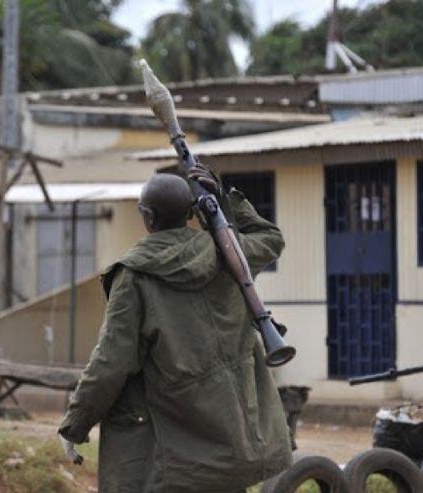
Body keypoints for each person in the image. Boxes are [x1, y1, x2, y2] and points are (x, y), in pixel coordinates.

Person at [58, 168, 292, 493]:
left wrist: (75, 424)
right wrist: (223, 201)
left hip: (171, 456)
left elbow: (111, 361)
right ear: (191, 212)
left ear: (146, 216)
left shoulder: (136, 276)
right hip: (232, 443)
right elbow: (271, 238)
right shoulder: (228, 254)